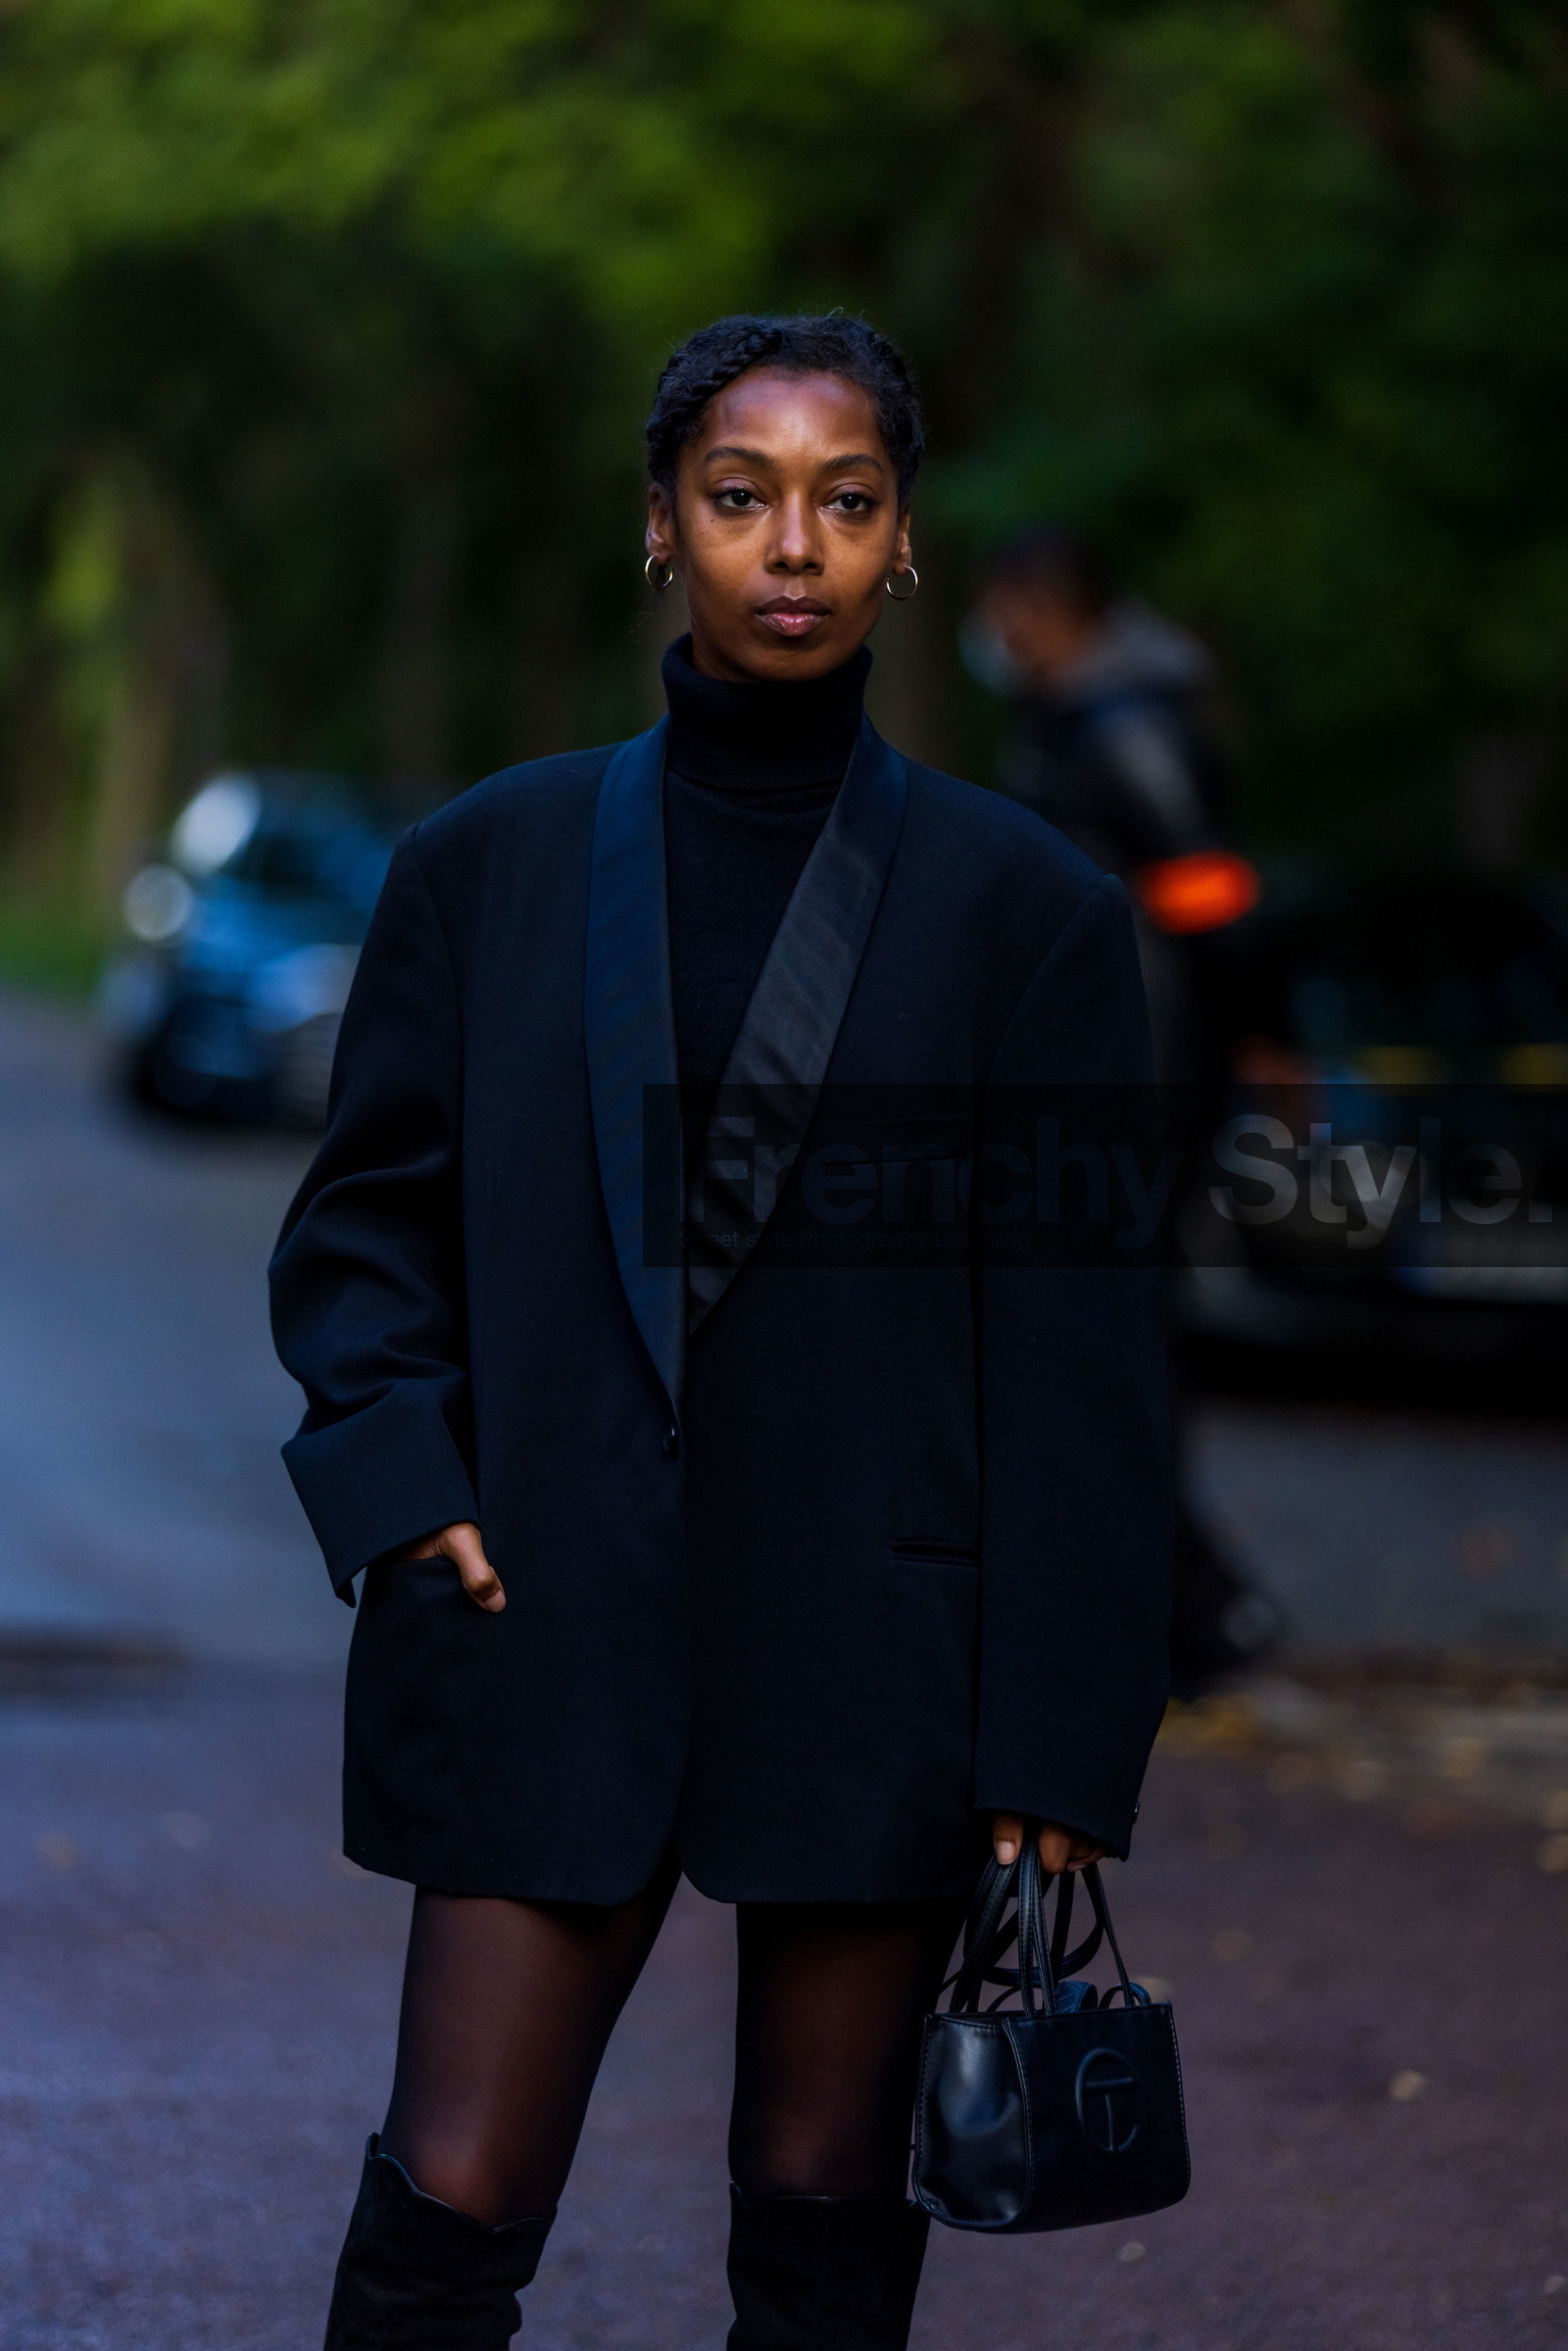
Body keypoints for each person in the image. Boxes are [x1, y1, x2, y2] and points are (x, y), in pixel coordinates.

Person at [270, 316, 1171, 2351]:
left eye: (844, 503)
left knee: (821, 2232)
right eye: (741, 496)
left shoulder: (1022, 904)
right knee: (442, 2213)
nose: (794, 545)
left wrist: (1058, 1731)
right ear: (659, 524)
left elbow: (1079, 1349)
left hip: (876, 1648)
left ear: (902, 546)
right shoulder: (477, 863)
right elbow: (361, 1231)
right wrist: (403, 1483)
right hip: (534, 1612)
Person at [967, 526, 1273, 1696]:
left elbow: (1209, 890)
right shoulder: (1076, 721)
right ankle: (1181, 1605)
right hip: (1103, 1075)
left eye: (1006, 609)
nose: (995, 635)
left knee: (1117, 1332)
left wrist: (1255, 1037)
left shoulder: (1125, 725)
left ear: (1044, 608)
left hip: (1137, 1082)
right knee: (1098, 1329)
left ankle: (1196, 1613)